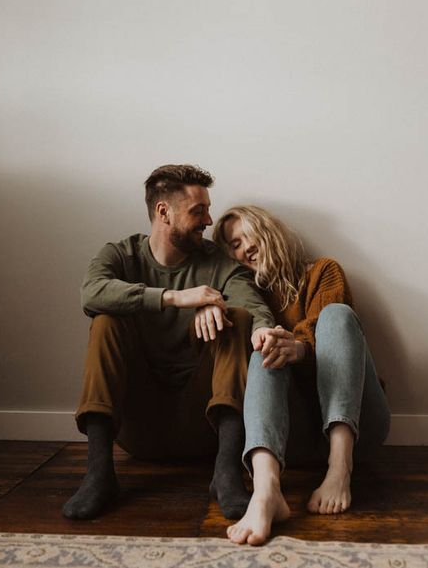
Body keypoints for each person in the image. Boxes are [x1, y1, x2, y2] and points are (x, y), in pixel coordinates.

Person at [62, 166, 275, 521]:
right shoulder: (121, 255)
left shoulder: (217, 263)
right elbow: (91, 292)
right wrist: (176, 298)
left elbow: (255, 308)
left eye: (208, 209)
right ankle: (99, 474)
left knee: (236, 319)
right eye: (198, 210)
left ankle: (226, 474)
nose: (208, 219)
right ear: (164, 212)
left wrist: (230, 312)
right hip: (138, 427)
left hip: (204, 423)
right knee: (105, 319)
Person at [213, 205, 391, 545]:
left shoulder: (323, 271)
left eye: (245, 234)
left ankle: (340, 469)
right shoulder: (245, 295)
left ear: (267, 229)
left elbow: (331, 334)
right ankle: (267, 491)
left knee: (336, 316)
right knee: (264, 346)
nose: (242, 247)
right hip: (290, 439)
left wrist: (300, 347)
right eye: (232, 245)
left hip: (357, 425)